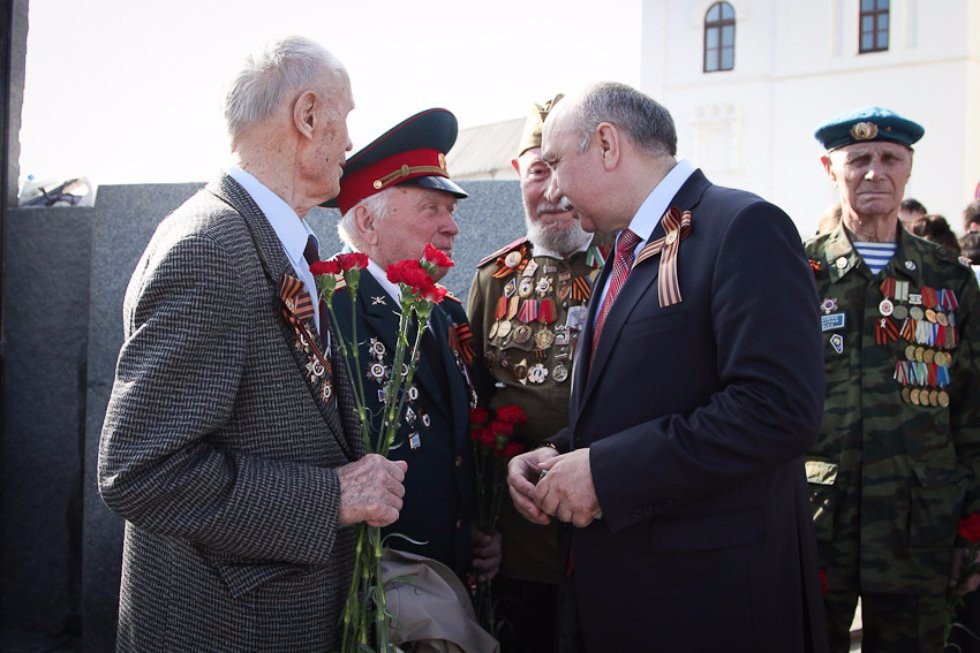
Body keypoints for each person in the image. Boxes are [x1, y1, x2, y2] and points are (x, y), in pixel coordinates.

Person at [98, 37, 409, 651]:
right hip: (229, 627)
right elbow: (140, 470)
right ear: (309, 115)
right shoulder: (210, 248)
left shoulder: (269, 237)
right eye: (344, 118)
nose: (349, 141)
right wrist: (334, 496)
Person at [506, 82, 828, 652]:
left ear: (607, 144)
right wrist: (557, 453)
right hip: (629, 596)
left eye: (555, 164)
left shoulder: (742, 226)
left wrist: (605, 474)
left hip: (710, 605)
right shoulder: (624, 253)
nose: (551, 188)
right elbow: (647, 396)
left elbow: (777, 410)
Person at [805, 105, 980, 652]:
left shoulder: (949, 278)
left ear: (909, 169)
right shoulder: (796, 271)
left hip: (920, 525)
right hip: (815, 519)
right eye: (858, 159)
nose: (873, 172)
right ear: (831, 169)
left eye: (889, 159)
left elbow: (973, 409)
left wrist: (971, 528)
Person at [329, 108, 501, 584]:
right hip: (374, 585)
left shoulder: (447, 313)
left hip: (449, 572)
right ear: (367, 220)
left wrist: (479, 532)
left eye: (452, 211)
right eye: (432, 209)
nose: (452, 228)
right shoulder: (332, 311)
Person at [466, 94, 608, 652]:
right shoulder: (493, 278)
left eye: (561, 171)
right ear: (516, 175)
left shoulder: (638, 265)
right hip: (524, 540)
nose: (552, 193)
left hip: (618, 523)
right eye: (536, 172)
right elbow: (471, 405)